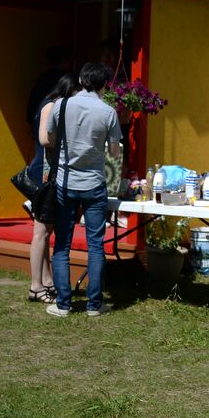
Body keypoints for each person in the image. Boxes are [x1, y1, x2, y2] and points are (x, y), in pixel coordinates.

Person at [44, 62, 121, 317]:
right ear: (104, 85)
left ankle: (63, 304)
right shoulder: (108, 112)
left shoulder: (61, 105)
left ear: (80, 80)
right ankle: (94, 305)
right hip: (94, 184)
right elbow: (114, 153)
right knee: (95, 245)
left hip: (65, 182)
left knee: (62, 244)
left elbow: (50, 138)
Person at [27, 72, 78, 304]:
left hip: (49, 174)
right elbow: (44, 139)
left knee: (46, 232)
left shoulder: (54, 104)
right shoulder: (50, 105)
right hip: (44, 175)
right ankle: (35, 286)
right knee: (40, 233)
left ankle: (47, 281)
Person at [25, 46, 71, 180]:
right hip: (54, 125)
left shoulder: (43, 78)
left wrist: (32, 122)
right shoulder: (66, 79)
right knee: (46, 158)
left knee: (41, 156)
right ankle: (41, 184)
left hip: (38, 120)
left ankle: (39, 182)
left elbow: (32, 103)